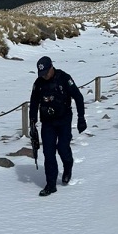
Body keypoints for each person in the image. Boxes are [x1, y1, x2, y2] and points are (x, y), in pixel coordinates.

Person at [29, 55, 87, 197]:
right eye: (41, 74)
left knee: (62, 148)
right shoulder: (38, 83)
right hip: (47, 123)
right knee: (48, 153)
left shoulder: (64, 78)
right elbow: (34, 102)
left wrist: (81, 118)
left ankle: (68, 166)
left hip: (64, 120)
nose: (44, 76)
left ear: (51, 67)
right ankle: (51, 184)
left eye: (46, 73)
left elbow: (78, 97)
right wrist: (32, 122)